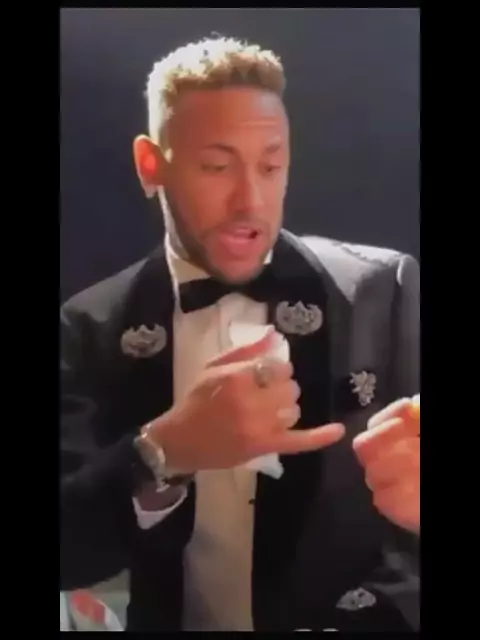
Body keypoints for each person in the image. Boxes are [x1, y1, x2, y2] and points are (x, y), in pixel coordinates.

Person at [60, 35, 420, 632]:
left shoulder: (384, 289)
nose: (250, 201)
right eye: (216, 166)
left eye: (271, 166)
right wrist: (165, 451)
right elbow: (69, 550)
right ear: (151, 165)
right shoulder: (89, 325)